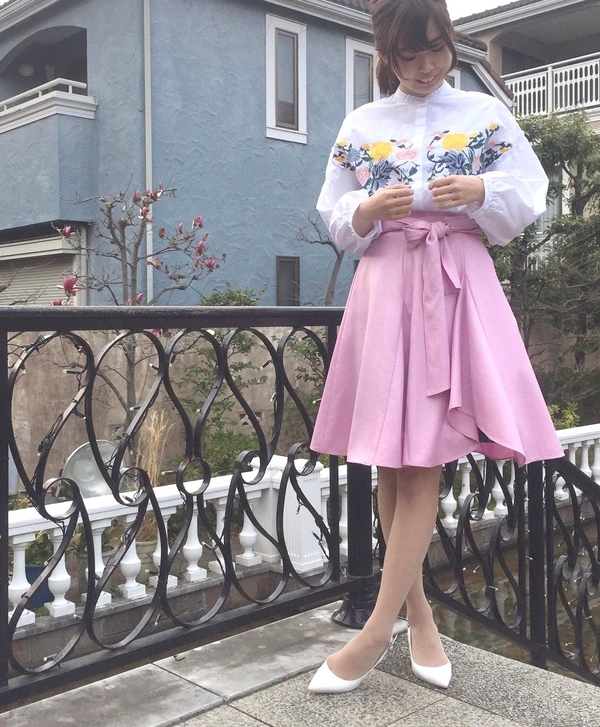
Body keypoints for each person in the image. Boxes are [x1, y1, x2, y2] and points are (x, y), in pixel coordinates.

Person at [308, 0, 564, 694]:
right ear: (385, 56)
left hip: (453, 284)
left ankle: (373, 633)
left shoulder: (484, 113)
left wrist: (479, 188)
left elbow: (529, 191)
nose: (424, 68)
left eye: (435, 50)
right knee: (392, 465)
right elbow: (334, 209)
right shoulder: (363, 124)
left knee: (419, 459)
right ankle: (420, 620)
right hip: (385, 286)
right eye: (408, 56)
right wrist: (365, 210)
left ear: (451, 43)